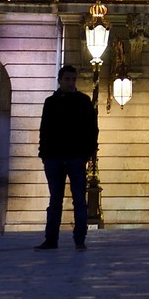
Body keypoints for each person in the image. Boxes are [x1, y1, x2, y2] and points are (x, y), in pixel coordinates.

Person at [37, 65, 98, 251]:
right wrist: (44, 154)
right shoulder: (51, 102)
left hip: (75, 157)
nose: (71, 82)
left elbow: (92, 129)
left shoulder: (83, 101)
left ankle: (79, 239)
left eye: (73, 79)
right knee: (55, 200)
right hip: (55, 157)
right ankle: (51, 239)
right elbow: (44, 129)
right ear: (60, 80)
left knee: (78, 200)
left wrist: (86, 153)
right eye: (67, 79)